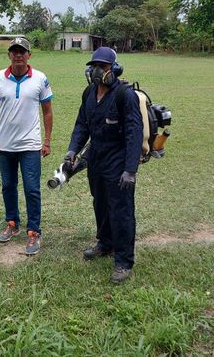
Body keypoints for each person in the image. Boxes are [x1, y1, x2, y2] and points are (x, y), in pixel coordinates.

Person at [65, 47, 143, 283]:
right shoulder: (89, 93)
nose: (98, 71)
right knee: (100, 203)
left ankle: (123, 261)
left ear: (114, 69)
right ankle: (105, 243)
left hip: (118, 161)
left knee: (121, 210)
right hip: (96, 159)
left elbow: (134, 134)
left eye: (104, 66)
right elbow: (82, 125)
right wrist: (72, 150)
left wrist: (130, 170)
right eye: (95, 66)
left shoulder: (125, 96)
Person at [0, 37, 53, 255]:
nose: (18, 55)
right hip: (5, 145)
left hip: (30, 145)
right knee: (8, 186)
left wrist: (46, 141)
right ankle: (12, 223)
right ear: (9, 55)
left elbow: (47, 112)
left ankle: (34, 231)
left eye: (22, 51)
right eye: (14, 51)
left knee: (32, 189)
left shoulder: (40, 78)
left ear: (29, 55)